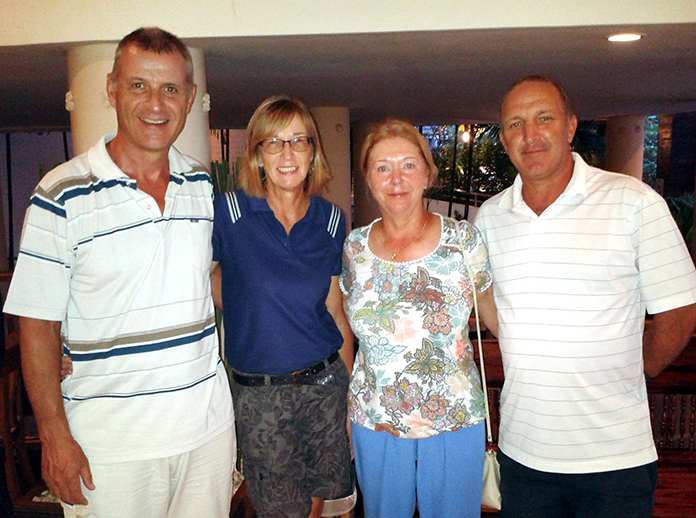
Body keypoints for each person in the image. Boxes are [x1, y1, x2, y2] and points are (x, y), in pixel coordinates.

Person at [3, 27, 235, 518]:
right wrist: (54, 436)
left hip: (206, 435)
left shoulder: (200, 183)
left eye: (170, 88)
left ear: (190, 98)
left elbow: (207, 281)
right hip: (109, 446)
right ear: (111, 88)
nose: (155, 102)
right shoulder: (60, 194)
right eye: (138, 85)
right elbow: (37, 322)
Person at [474, 75, 696, 518]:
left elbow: (680, 310)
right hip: (523, 454)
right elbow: (493, 306)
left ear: (570, 126)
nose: (529, 134)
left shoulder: (634, 202)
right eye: (515, 124)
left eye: (543, 118)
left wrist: (642, 365)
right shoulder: (490, 216)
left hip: (615, 457)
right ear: (503, 138)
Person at [340, 119, 498, 518]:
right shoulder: (354, 248)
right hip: (374, 420)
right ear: (368, 180)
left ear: (428, 173)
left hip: (452, 419)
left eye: (408, 164)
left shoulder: (463, 240)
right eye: (382, 167)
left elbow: (498, 317)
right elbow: (343, 327)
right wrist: (346, 407)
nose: (396, 178)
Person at [211, 95, 353, 518]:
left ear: (313, 152)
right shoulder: (228, 213)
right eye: (273, 142)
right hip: (260, 396)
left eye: (299, 140)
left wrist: (348, 394)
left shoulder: (331, 219)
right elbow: (193, 278)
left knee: (321, 505)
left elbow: (334, 309)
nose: (287, 153)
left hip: (326, 384)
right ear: (256, 153)